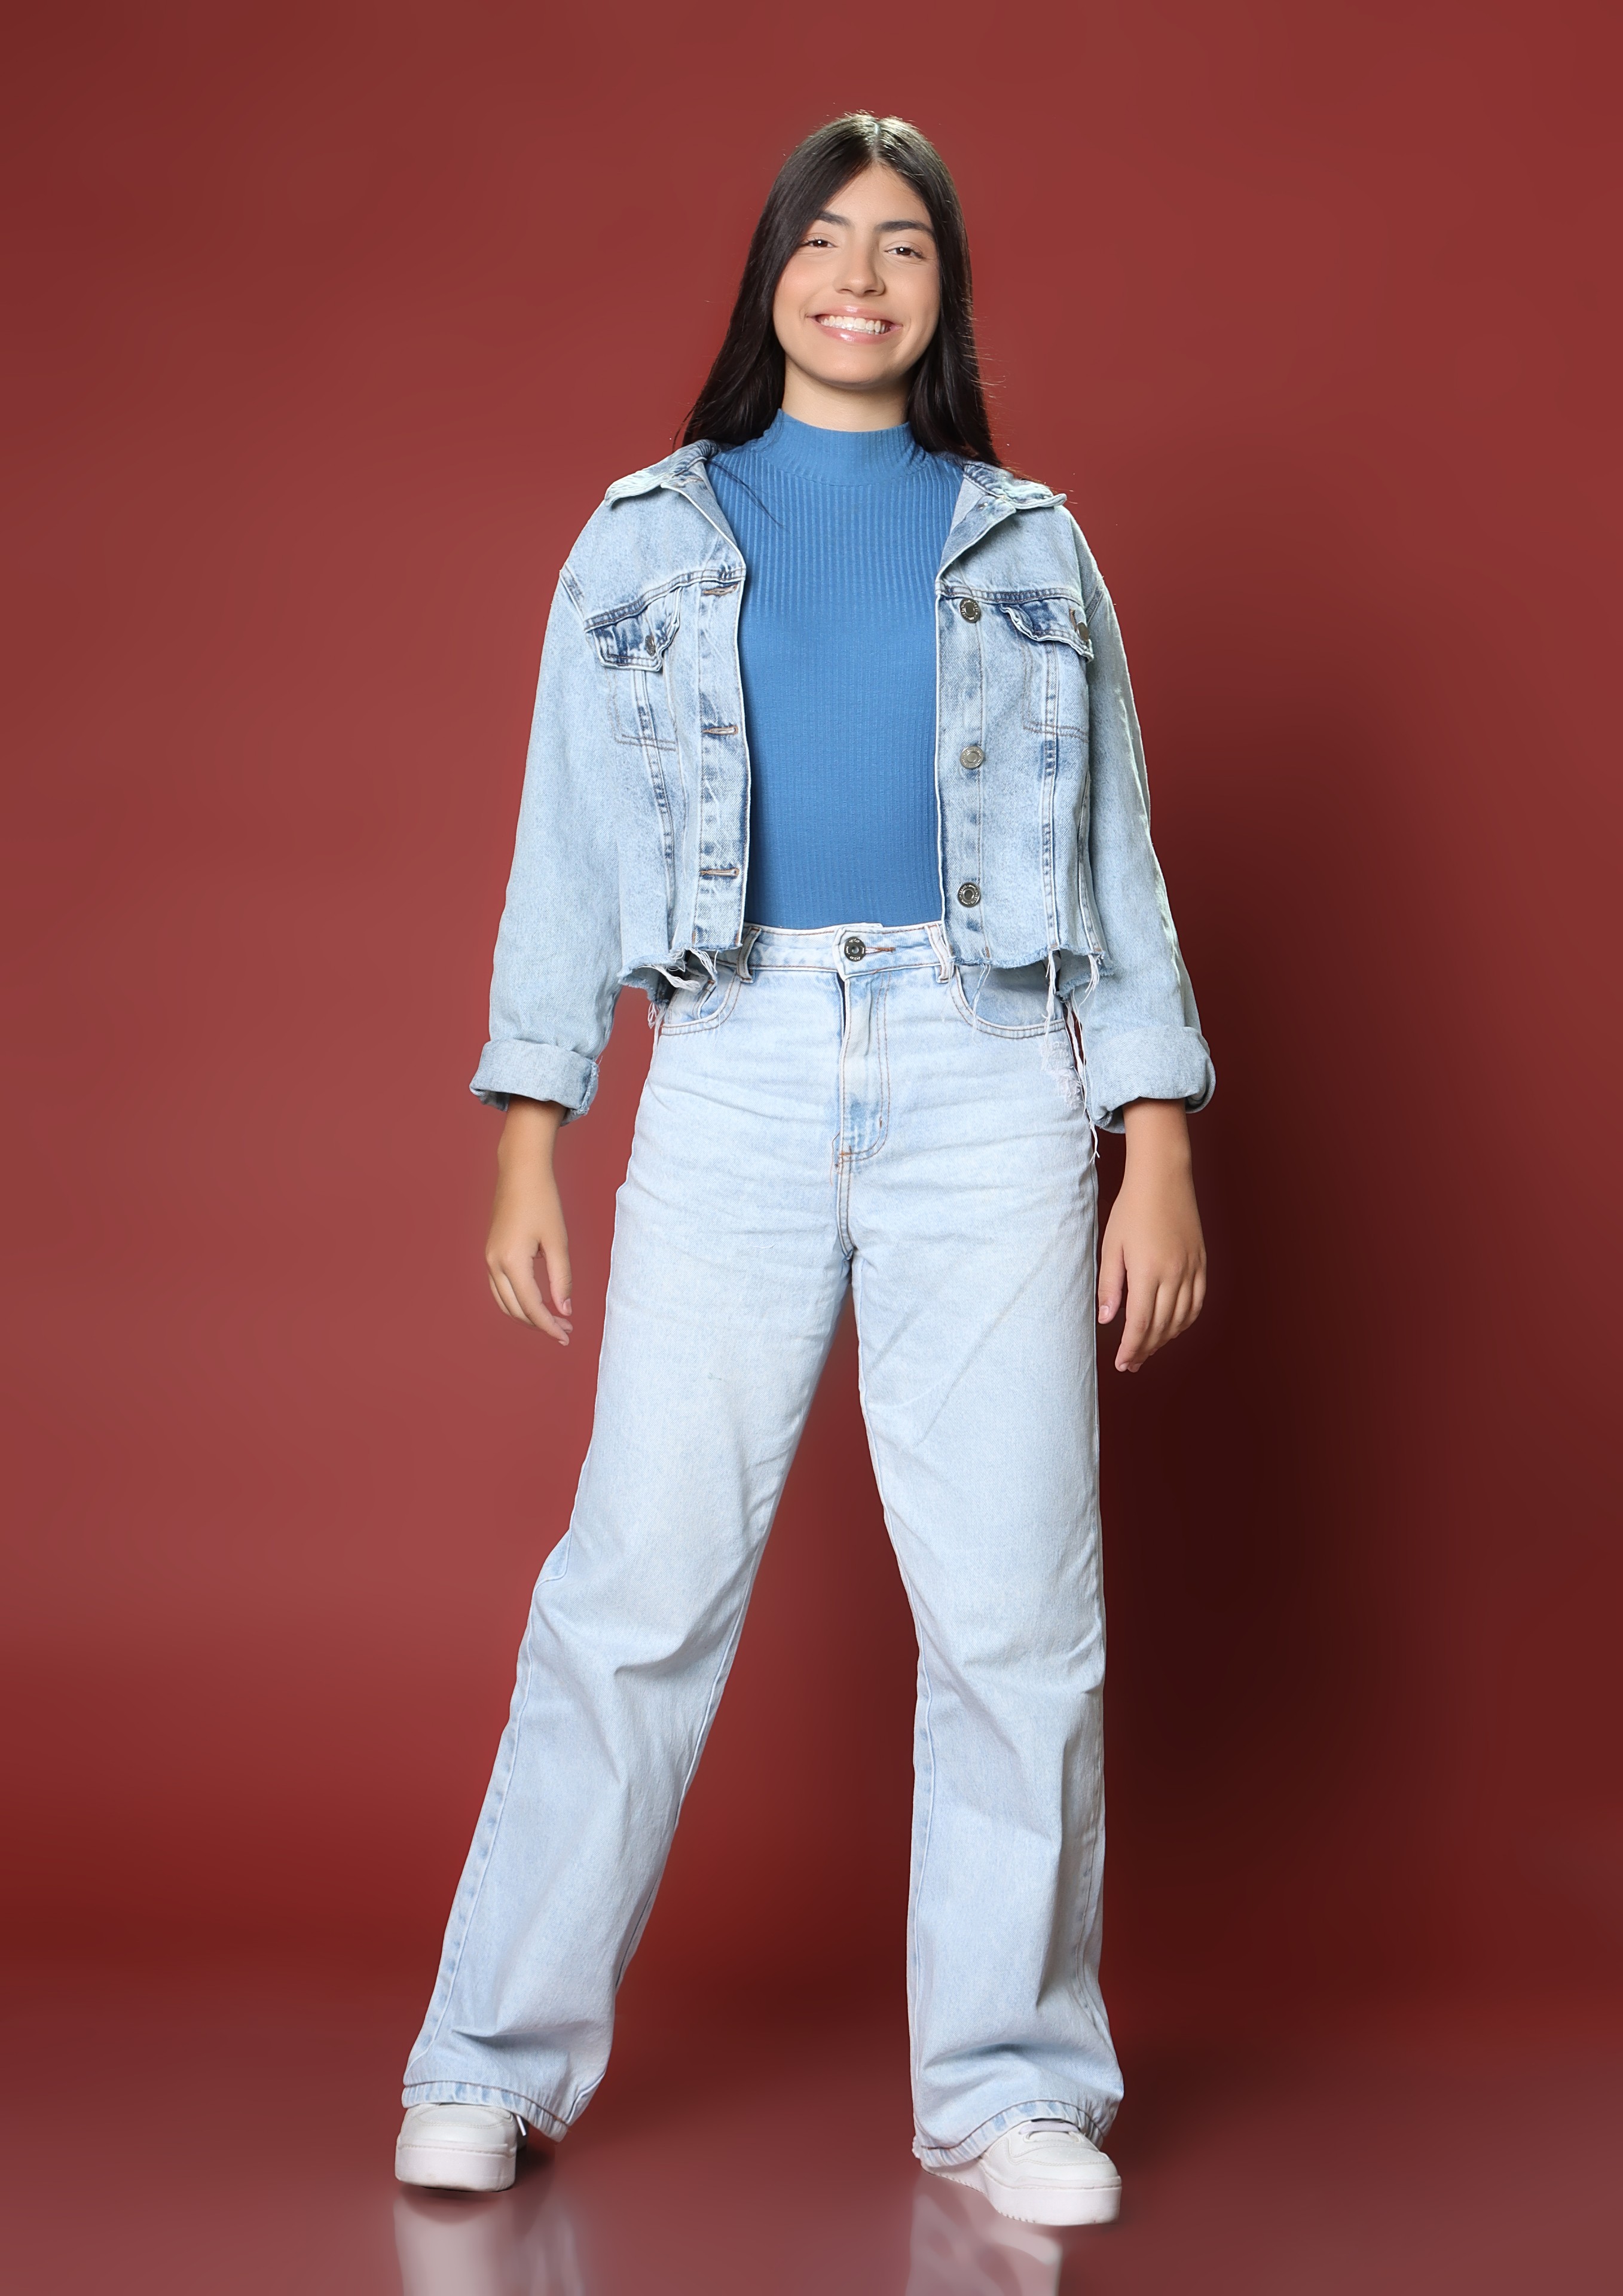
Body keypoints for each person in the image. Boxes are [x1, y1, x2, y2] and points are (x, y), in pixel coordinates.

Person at [395, 111, 1213, 2230]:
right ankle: (488, 2061)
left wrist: (1152, 1135)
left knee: (1015, 1609)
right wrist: (530, 1128)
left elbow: (1115, 858)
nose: (861, 276)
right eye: (827, 239)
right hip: (736, 1062)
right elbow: (566, 846)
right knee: (637, 1588)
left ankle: (1012, 2088)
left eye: (904, 246)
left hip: (991, 1069)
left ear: (946, 294)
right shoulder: (641, 538)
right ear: (771, 274)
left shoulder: (1027, 546)